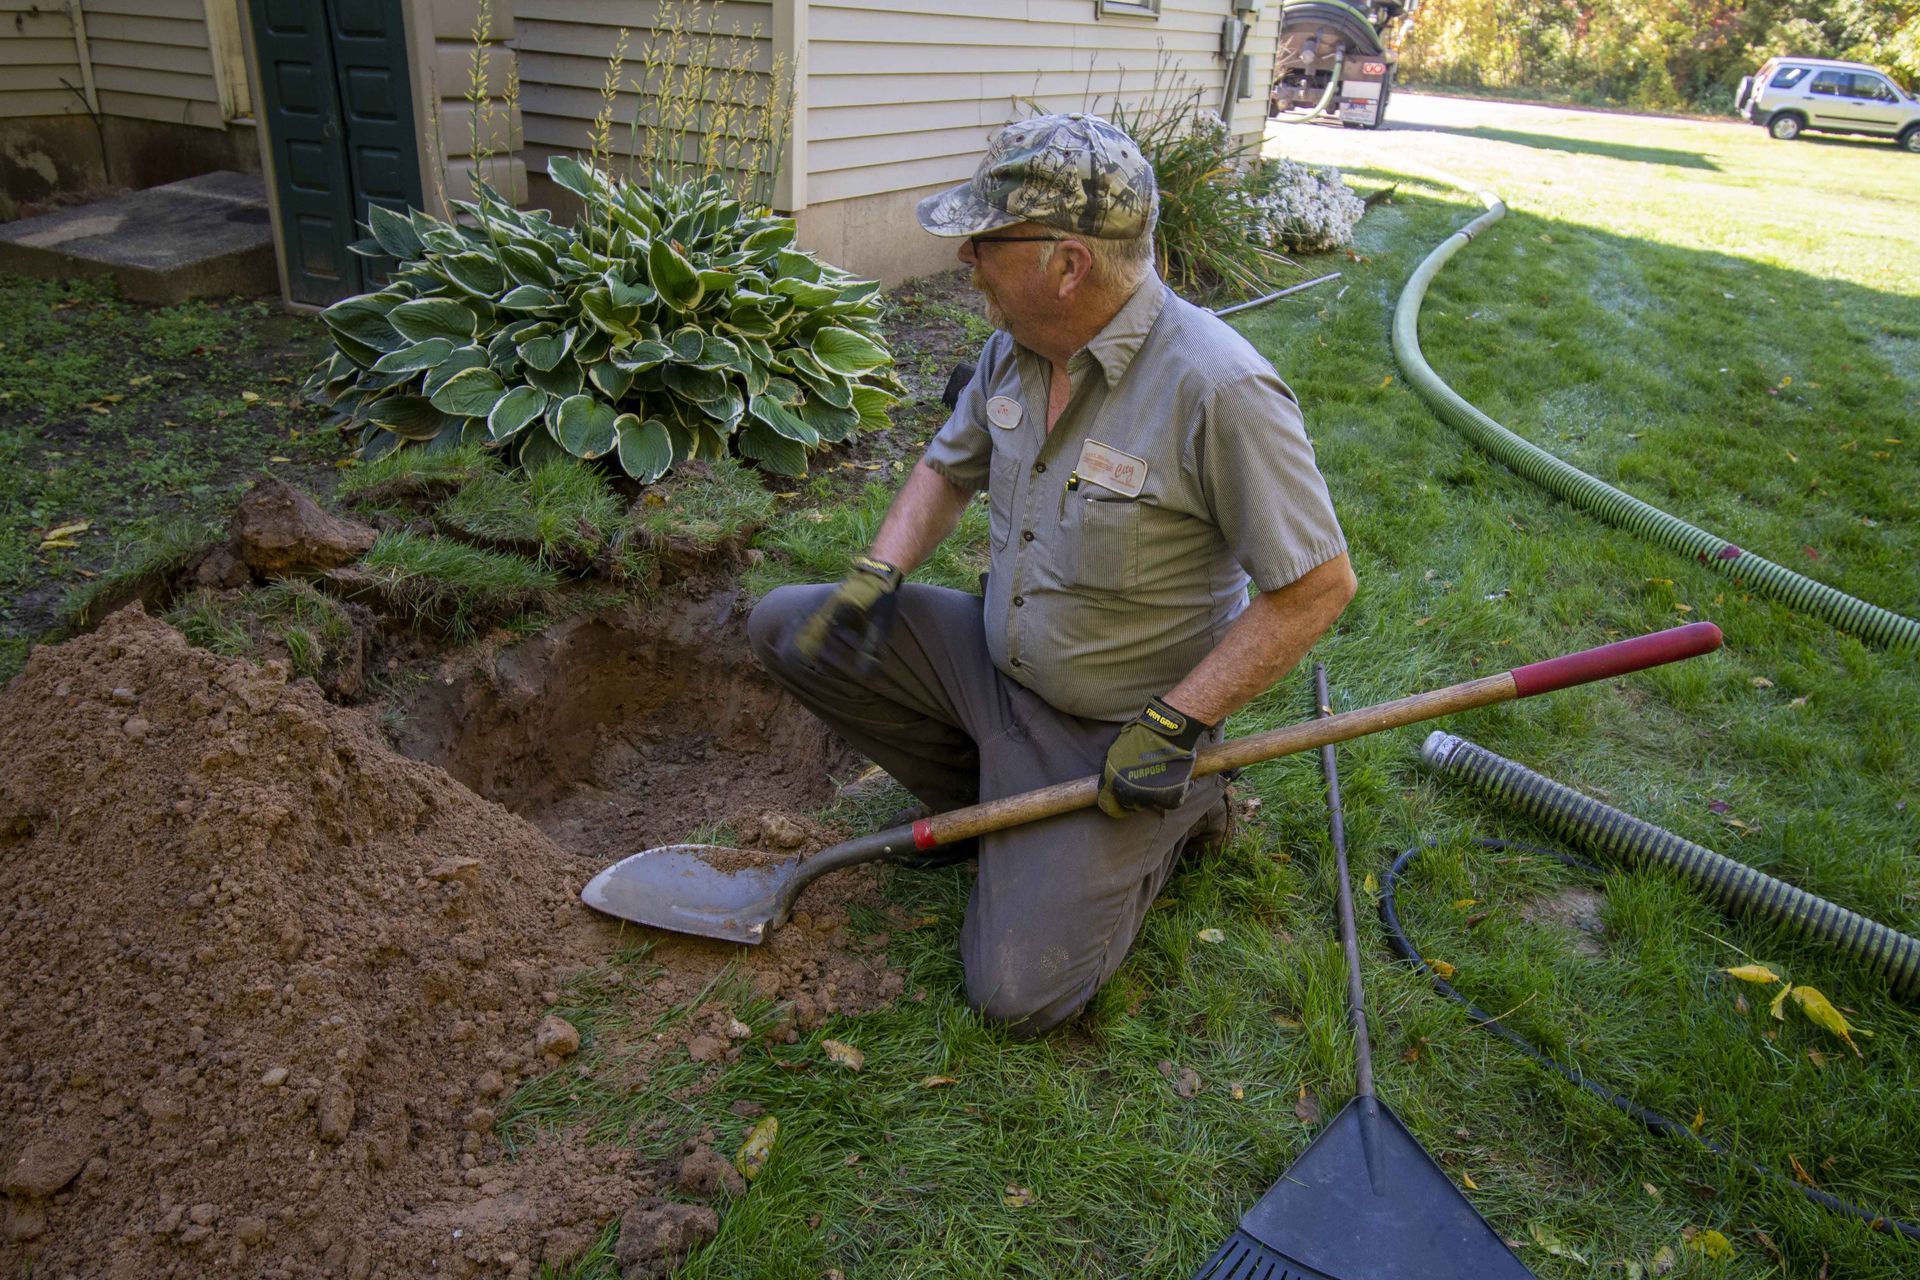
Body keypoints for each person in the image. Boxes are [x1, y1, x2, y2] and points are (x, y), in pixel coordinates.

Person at [748, 113, 1354, 1036]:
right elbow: (949, 467)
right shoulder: (1016, 347)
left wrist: (1175, 724)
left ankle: (1184, 806)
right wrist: (879, 572)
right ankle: (990, 806)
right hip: (996, 666)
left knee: (1016, 994)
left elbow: (1316, 587)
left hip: (1119, 728)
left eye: (986, 241)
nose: (966, 261)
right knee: (788, 627)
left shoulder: (1219, 391)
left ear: (1066, 264)